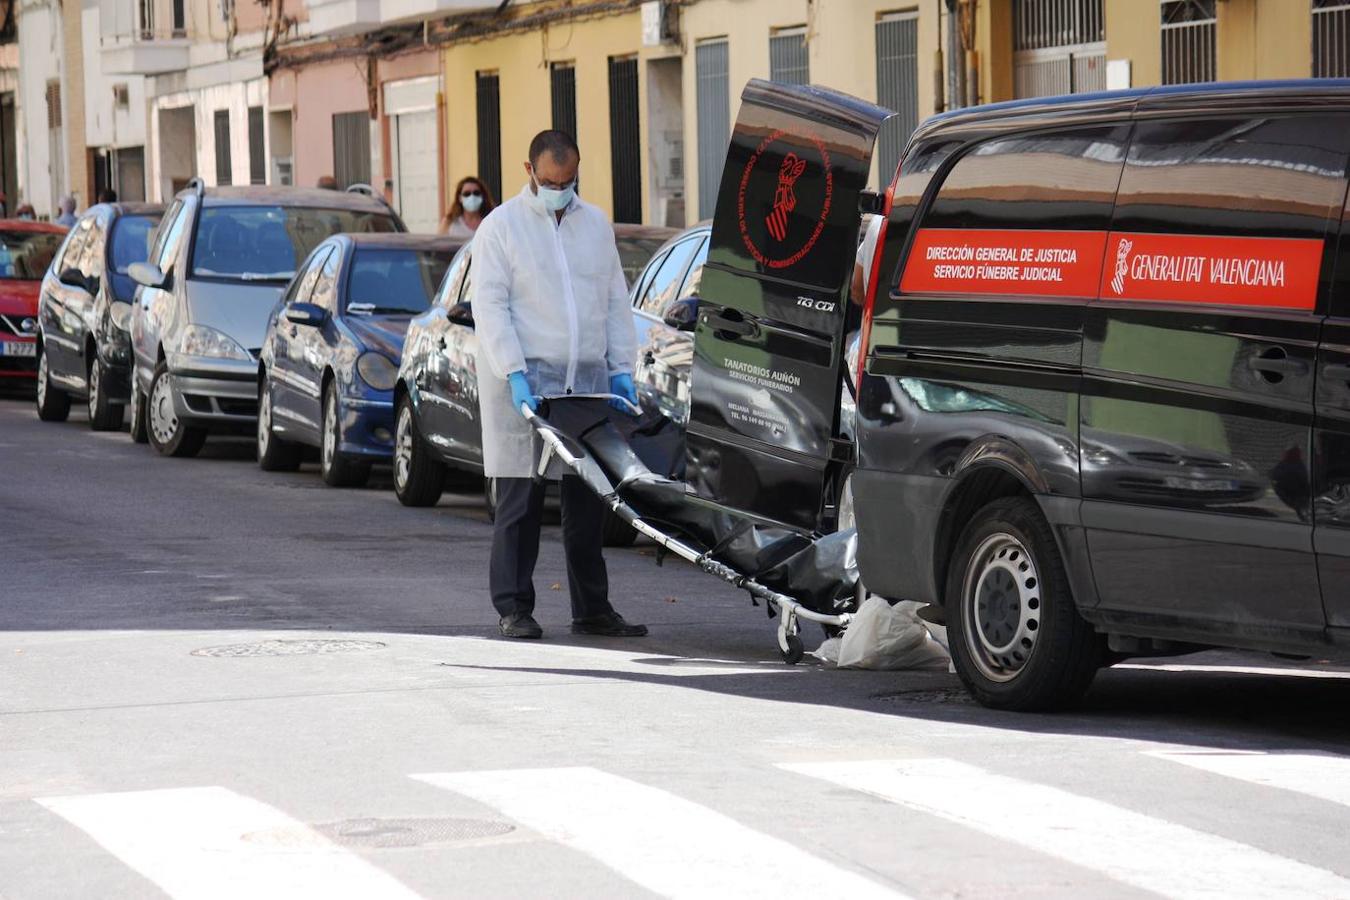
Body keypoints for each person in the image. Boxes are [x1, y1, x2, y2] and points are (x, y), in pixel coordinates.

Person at [471, 129, 647, 640]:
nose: (559, 190)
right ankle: (514, 608)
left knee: (589, 502)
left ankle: (592, 608)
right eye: (550, 181)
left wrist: (621, 369)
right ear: (529, 172)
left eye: (568, 181)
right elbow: (490, 306)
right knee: (520, 501)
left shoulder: (594, 226)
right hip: (525, 380)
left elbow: (615, 300)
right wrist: (514, 372)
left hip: (585, 380)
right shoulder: (500, 229)